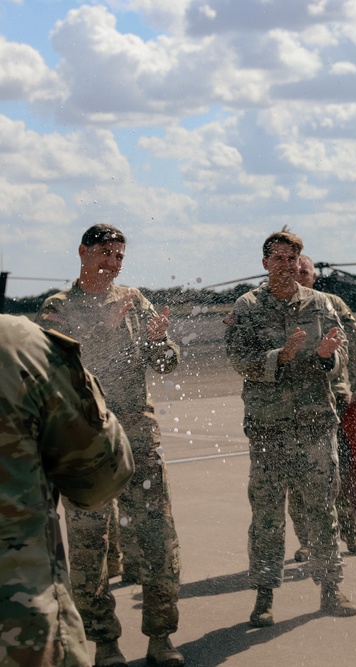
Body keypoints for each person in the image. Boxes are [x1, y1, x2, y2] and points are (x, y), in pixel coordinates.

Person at [36, 224, 185, 667]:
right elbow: (56, 369)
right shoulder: (58, 308)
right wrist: (103, 329)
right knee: (89, 546)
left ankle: (161, 636)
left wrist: (159, 340)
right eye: (105, 254)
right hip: (86, 442)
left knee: (157, 536)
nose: (113, 263)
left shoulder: (134, 300)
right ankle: (105, 643)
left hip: (139, 438)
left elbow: (166, 363)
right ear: (82, 252)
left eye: (119, 256)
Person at [224, 230, 356, 627]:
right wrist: (276, 357)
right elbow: (236, 357)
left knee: (322, 509)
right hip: (268, 428)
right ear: (265, 263)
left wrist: (325, 358)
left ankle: (331, 588)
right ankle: (264, 596)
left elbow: (343, 350)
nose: (286, 266)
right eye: (278, 259)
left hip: (316, 425)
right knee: (267, 514)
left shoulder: (320, 304)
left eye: (292, 259)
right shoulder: (247, 306)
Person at [0, 315, 134, 667]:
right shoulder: (15, 343)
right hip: (21, 627)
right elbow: (102, 479)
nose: (113, 260)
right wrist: (82, 386)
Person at [287, 254, 356, 558]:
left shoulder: (331, 303)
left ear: (313, 276)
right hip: (292, 406)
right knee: (298, 478)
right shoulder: (276, 307)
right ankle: (307, 541)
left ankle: (352, 533)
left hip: (332, 400)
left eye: (304, 272)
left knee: (342, 472)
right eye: (293, 271)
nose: (298, 276)